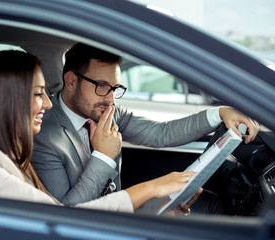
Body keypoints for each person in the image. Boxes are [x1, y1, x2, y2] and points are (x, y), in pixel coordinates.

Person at [0, 50, 199, 214]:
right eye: (38, 94)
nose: (47, 102)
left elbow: (162, 132)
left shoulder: (0, 150)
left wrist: (154, 207)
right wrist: (150, 188)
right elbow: (60, 220)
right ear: (6, 100)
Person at [32, 43, 261, 213]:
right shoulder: (42, 135)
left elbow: (160, 134)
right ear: (71, 81)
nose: (111, 98)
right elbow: (67, 213)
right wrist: (103, 156)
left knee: (215, 205)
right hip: (95, 224)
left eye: (116, 88)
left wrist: (219, 112)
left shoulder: (109, 111)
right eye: (102, 86)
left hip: (122, 210)